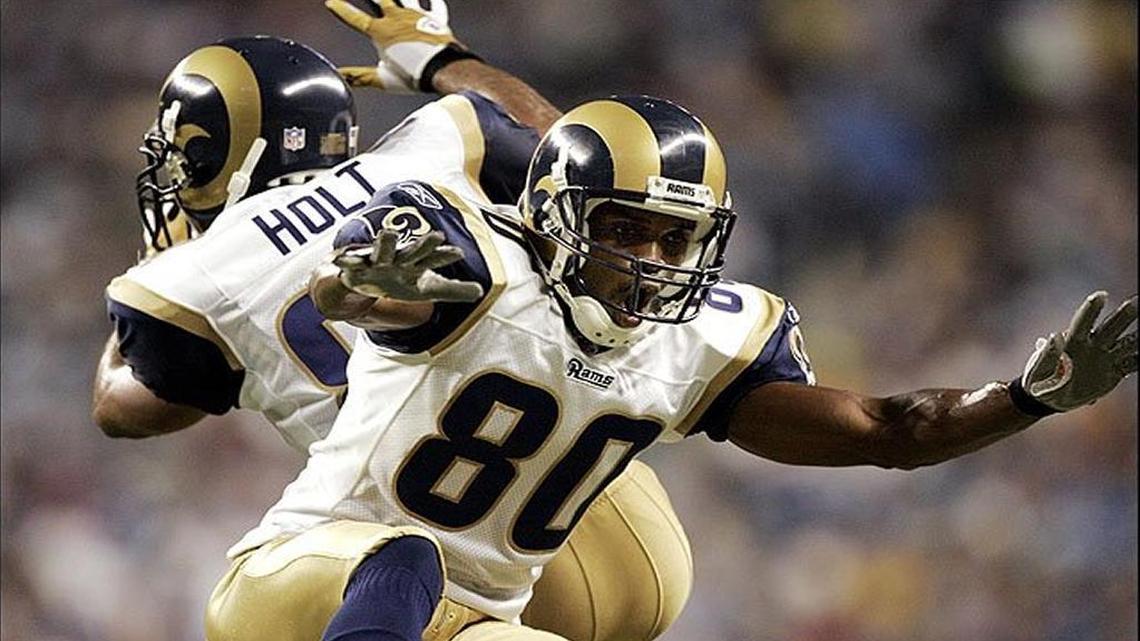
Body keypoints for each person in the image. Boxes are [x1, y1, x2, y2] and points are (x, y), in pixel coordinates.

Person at [207, 54, 1140, 641]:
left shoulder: (700, 339)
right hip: (307, 582)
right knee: (405, 559)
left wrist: (1025, 398)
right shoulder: (474, 261)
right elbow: (354, 288)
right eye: (625, 228)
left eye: (673, 238)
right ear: (556, 214)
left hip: (469, 621)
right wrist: (353, 281)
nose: (649, 260)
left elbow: (884, 427)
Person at [92, 4, 692, 640]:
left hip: (449, 574)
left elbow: (125, 409)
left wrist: (164, 256)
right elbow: (575, 154)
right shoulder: (432, 149)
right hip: (615, 511)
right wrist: (442, 59)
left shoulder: (195, 276)